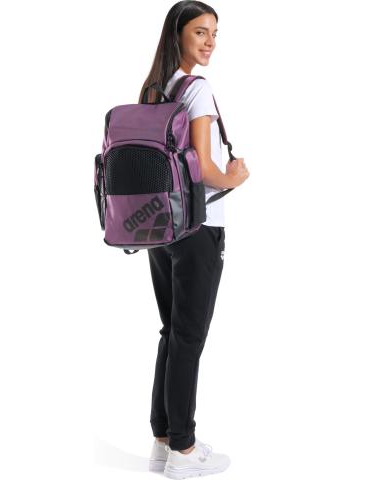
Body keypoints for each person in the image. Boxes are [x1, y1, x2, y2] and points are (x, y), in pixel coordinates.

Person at [140, 2, 249, 478]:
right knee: (189, 335)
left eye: (215, 33)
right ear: (178, 35)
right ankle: (183, 450)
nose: (210, 42)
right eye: (201, 32)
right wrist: (234, 177)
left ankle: (163, 439)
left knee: (172, 331)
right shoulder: (197, 89)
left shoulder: (154, 89)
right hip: (198, 226)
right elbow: (203, 168)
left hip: (159, 226)